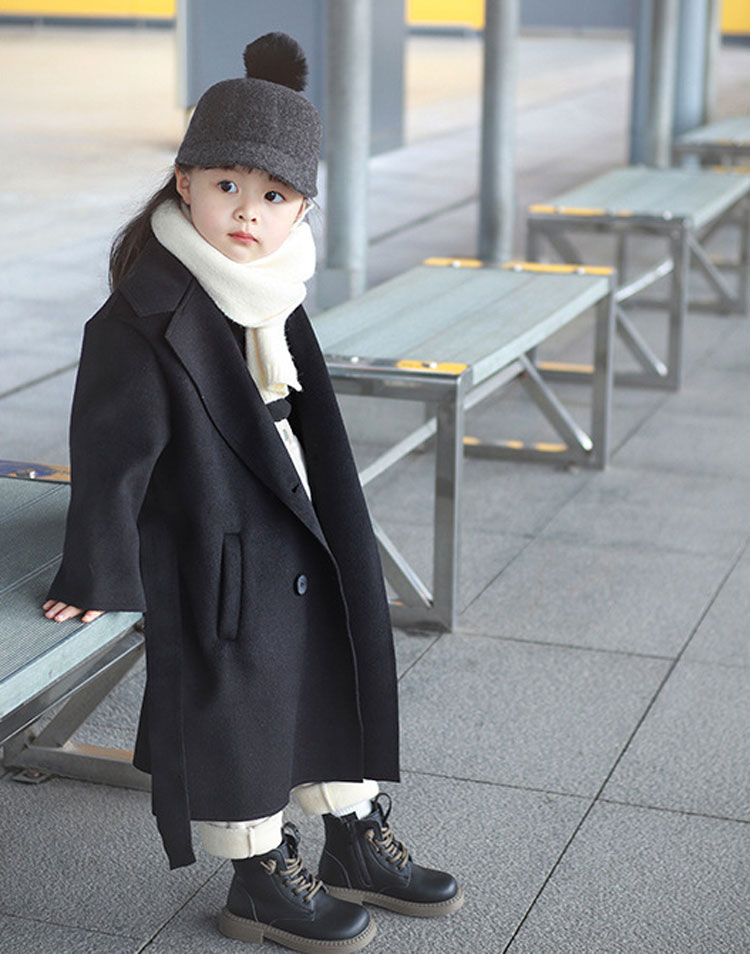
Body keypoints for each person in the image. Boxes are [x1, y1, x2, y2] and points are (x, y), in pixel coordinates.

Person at [42, 32, 463, 953]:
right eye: (226, 184)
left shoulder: (275, 284)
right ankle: (258, 872)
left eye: (274, 197)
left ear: (302, 207)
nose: (246, 211)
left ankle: (352, 832)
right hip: (215, 530)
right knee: (244, 693)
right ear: (183, 181)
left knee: (331, 660)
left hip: (295, 511)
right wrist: (97, 569)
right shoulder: (143, 312)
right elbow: (110, 455)